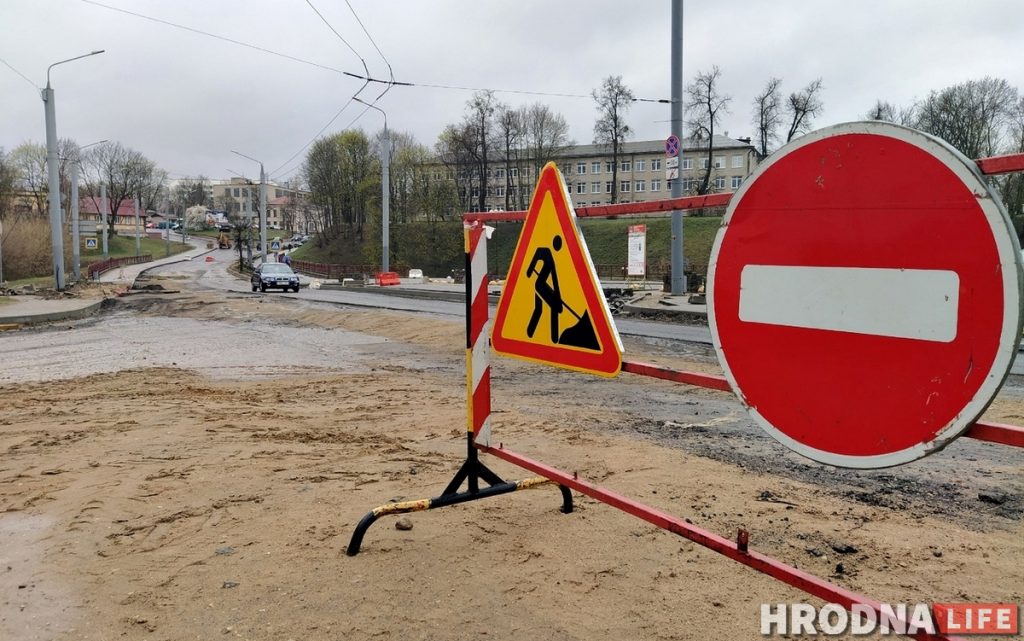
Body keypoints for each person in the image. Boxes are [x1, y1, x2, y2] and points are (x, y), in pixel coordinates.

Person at [526, 235, 563, 343]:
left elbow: (554, 277)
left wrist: (558, 295)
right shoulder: (545, 251)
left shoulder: (552, 258)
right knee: (548, 308)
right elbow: (535, 258)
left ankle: (532, 333)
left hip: (541, 285)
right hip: (539, 285)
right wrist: (530, 270)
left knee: (540, 309)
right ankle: (553, 338)